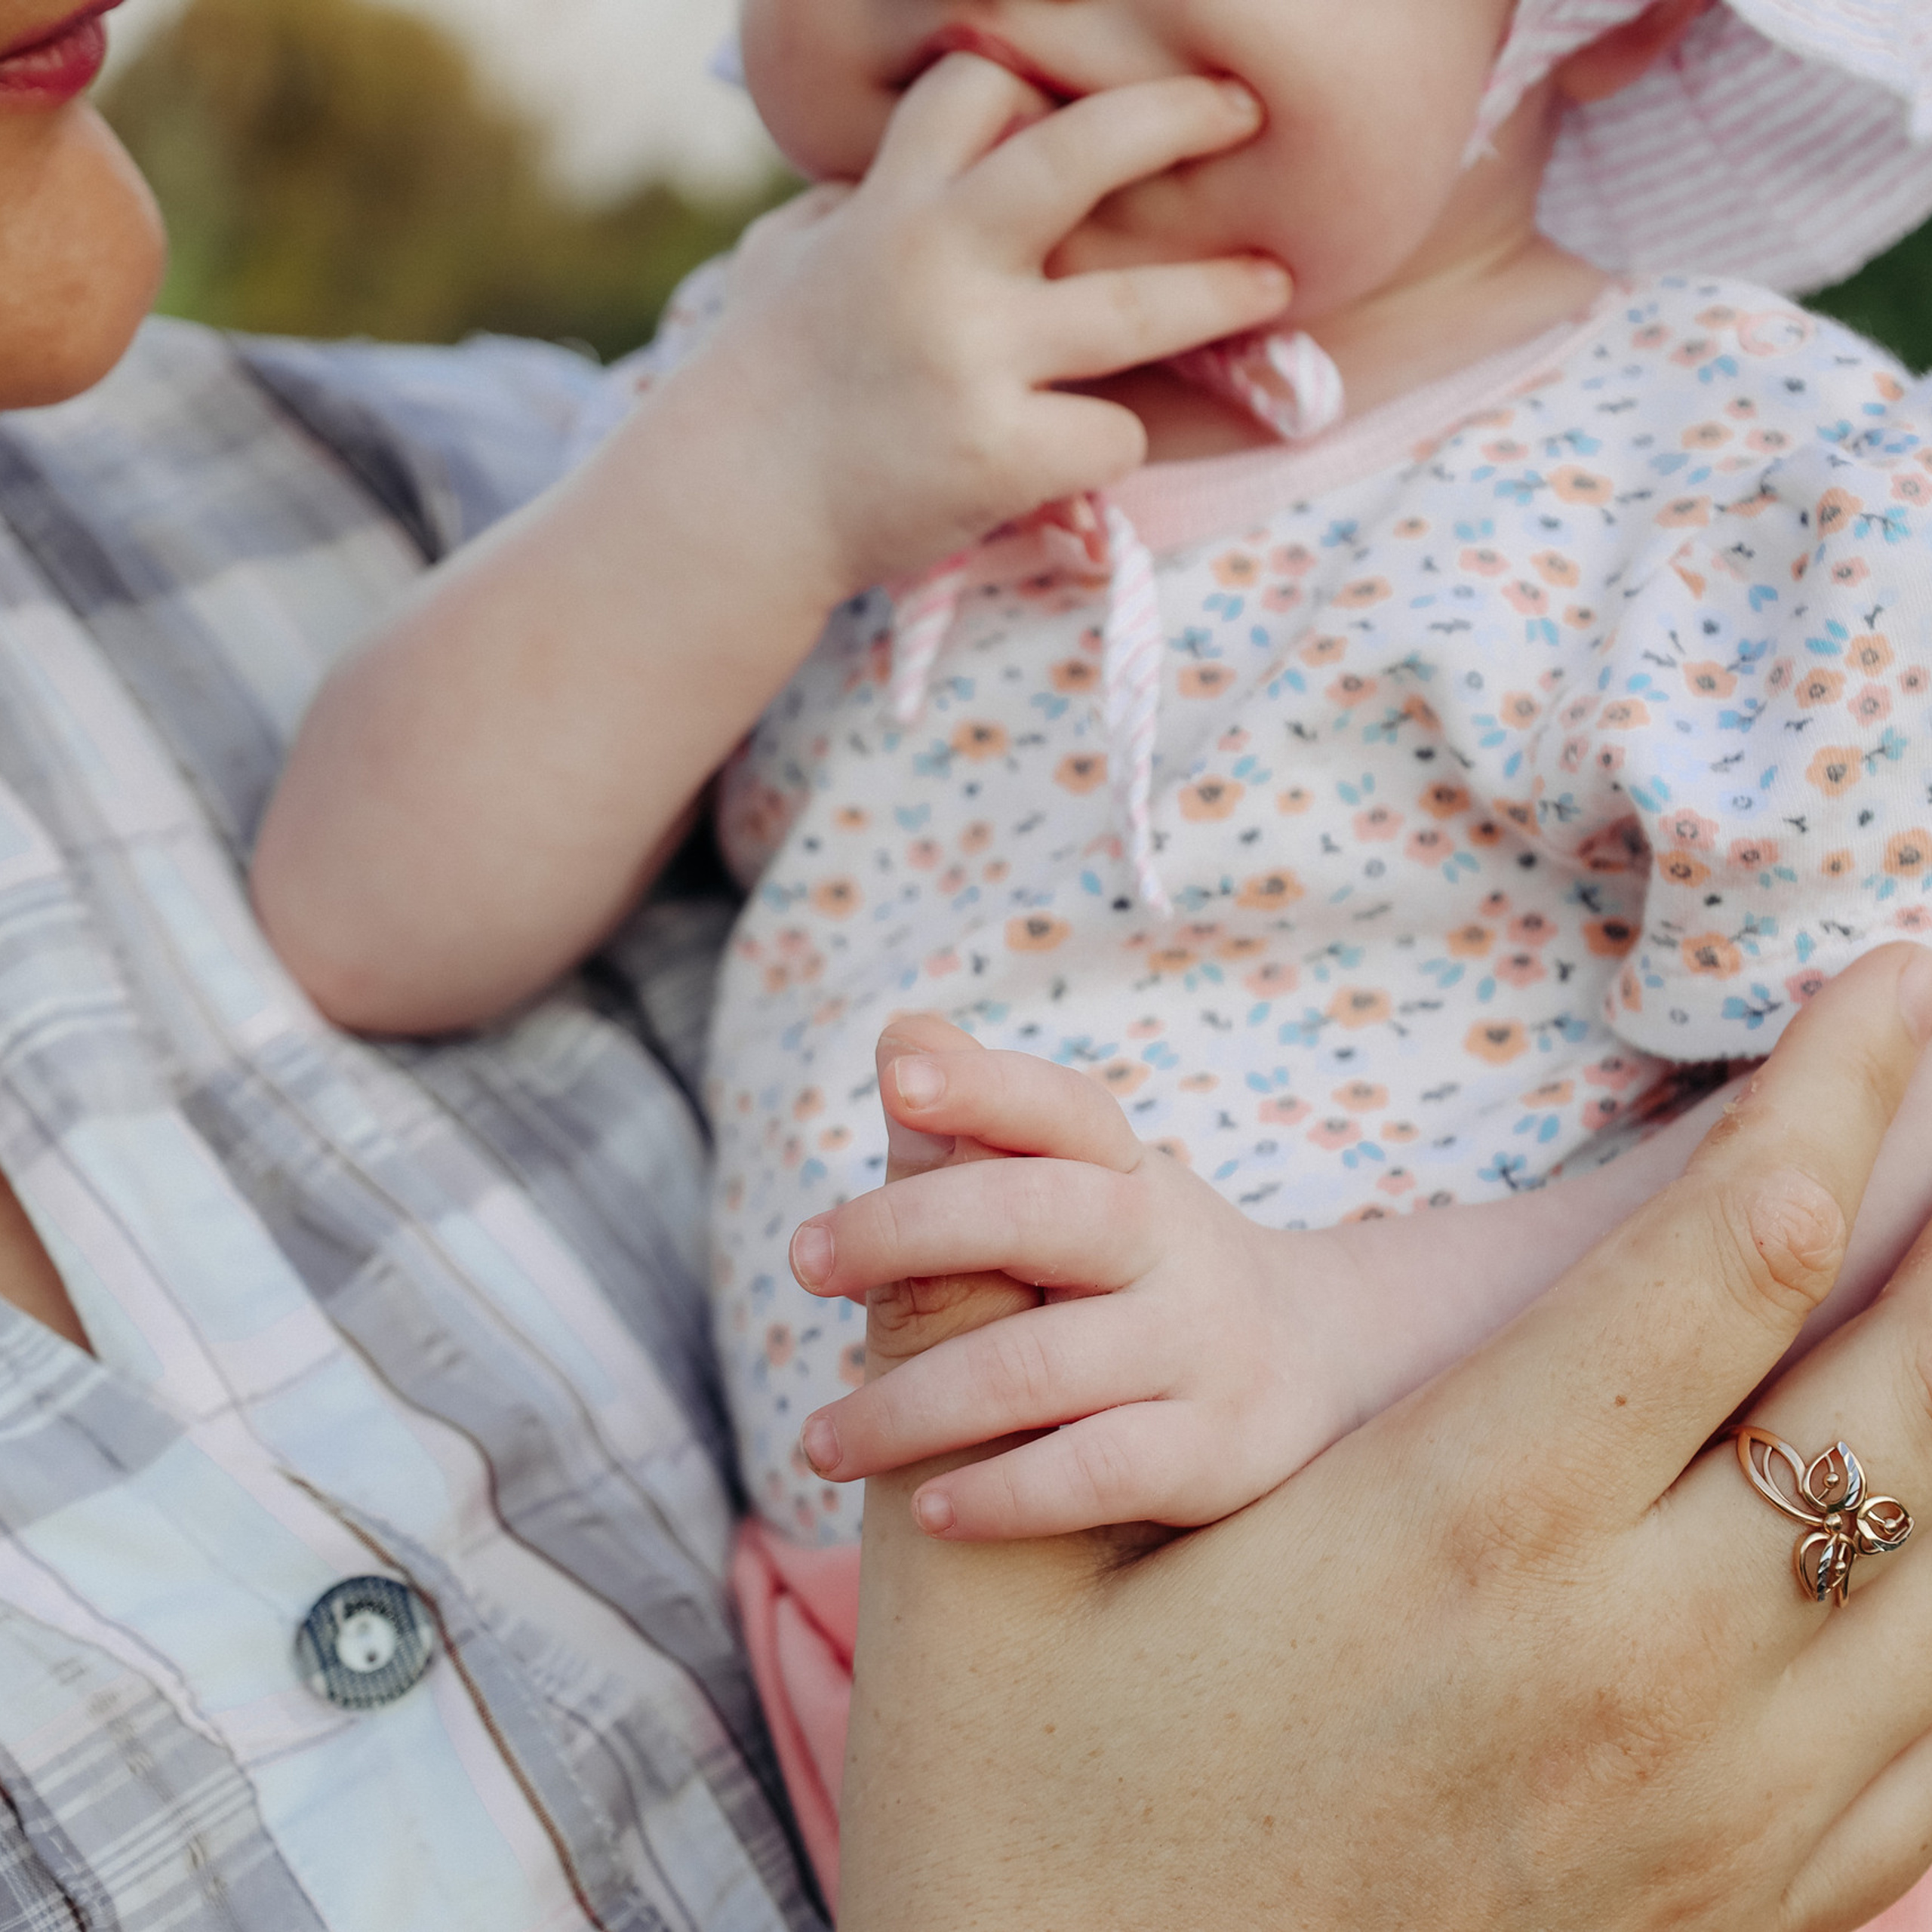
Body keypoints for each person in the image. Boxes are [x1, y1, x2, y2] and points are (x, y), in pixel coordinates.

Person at [3, 3, 1931, 1930]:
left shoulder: (1731, 469)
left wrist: (1347, 1325)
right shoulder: (774, 375)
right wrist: (765, 468)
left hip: (1627, 1698)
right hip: (890, 1720)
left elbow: (1887, 1089)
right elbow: (357, 918)